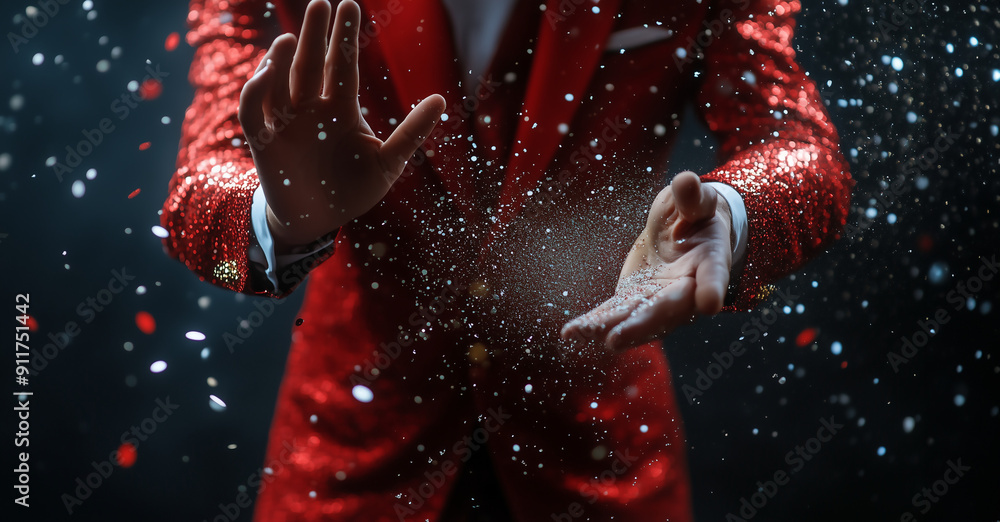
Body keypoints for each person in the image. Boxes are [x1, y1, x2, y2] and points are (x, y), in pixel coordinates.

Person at [161, 0, 853, 519]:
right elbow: (194, 196)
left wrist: (731, 220)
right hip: (352, 459)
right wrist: (282, 218)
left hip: (602, 455)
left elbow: (801, 147)